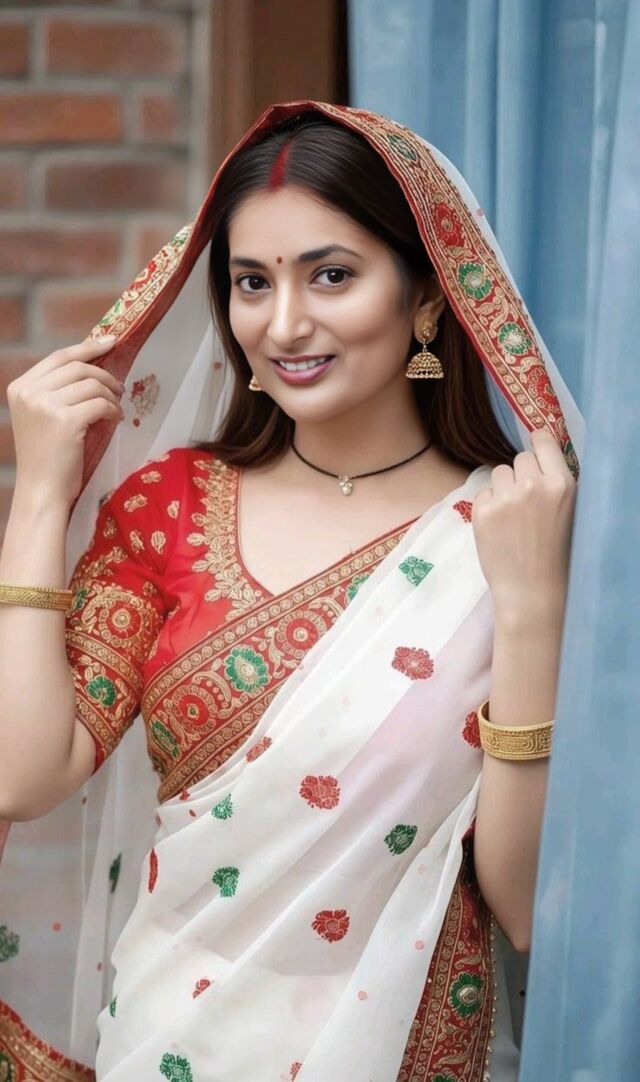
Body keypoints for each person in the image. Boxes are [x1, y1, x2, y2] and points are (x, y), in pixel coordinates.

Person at [0, 101, 583, 1081]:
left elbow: (524, 907)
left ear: (427, 299)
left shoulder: (510, 531)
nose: (283, 324)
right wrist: (40, 498)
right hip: (169, 1041)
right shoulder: (171, 506)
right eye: (252, 282)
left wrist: (529, 608)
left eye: (332, 275)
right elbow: (23, 776)